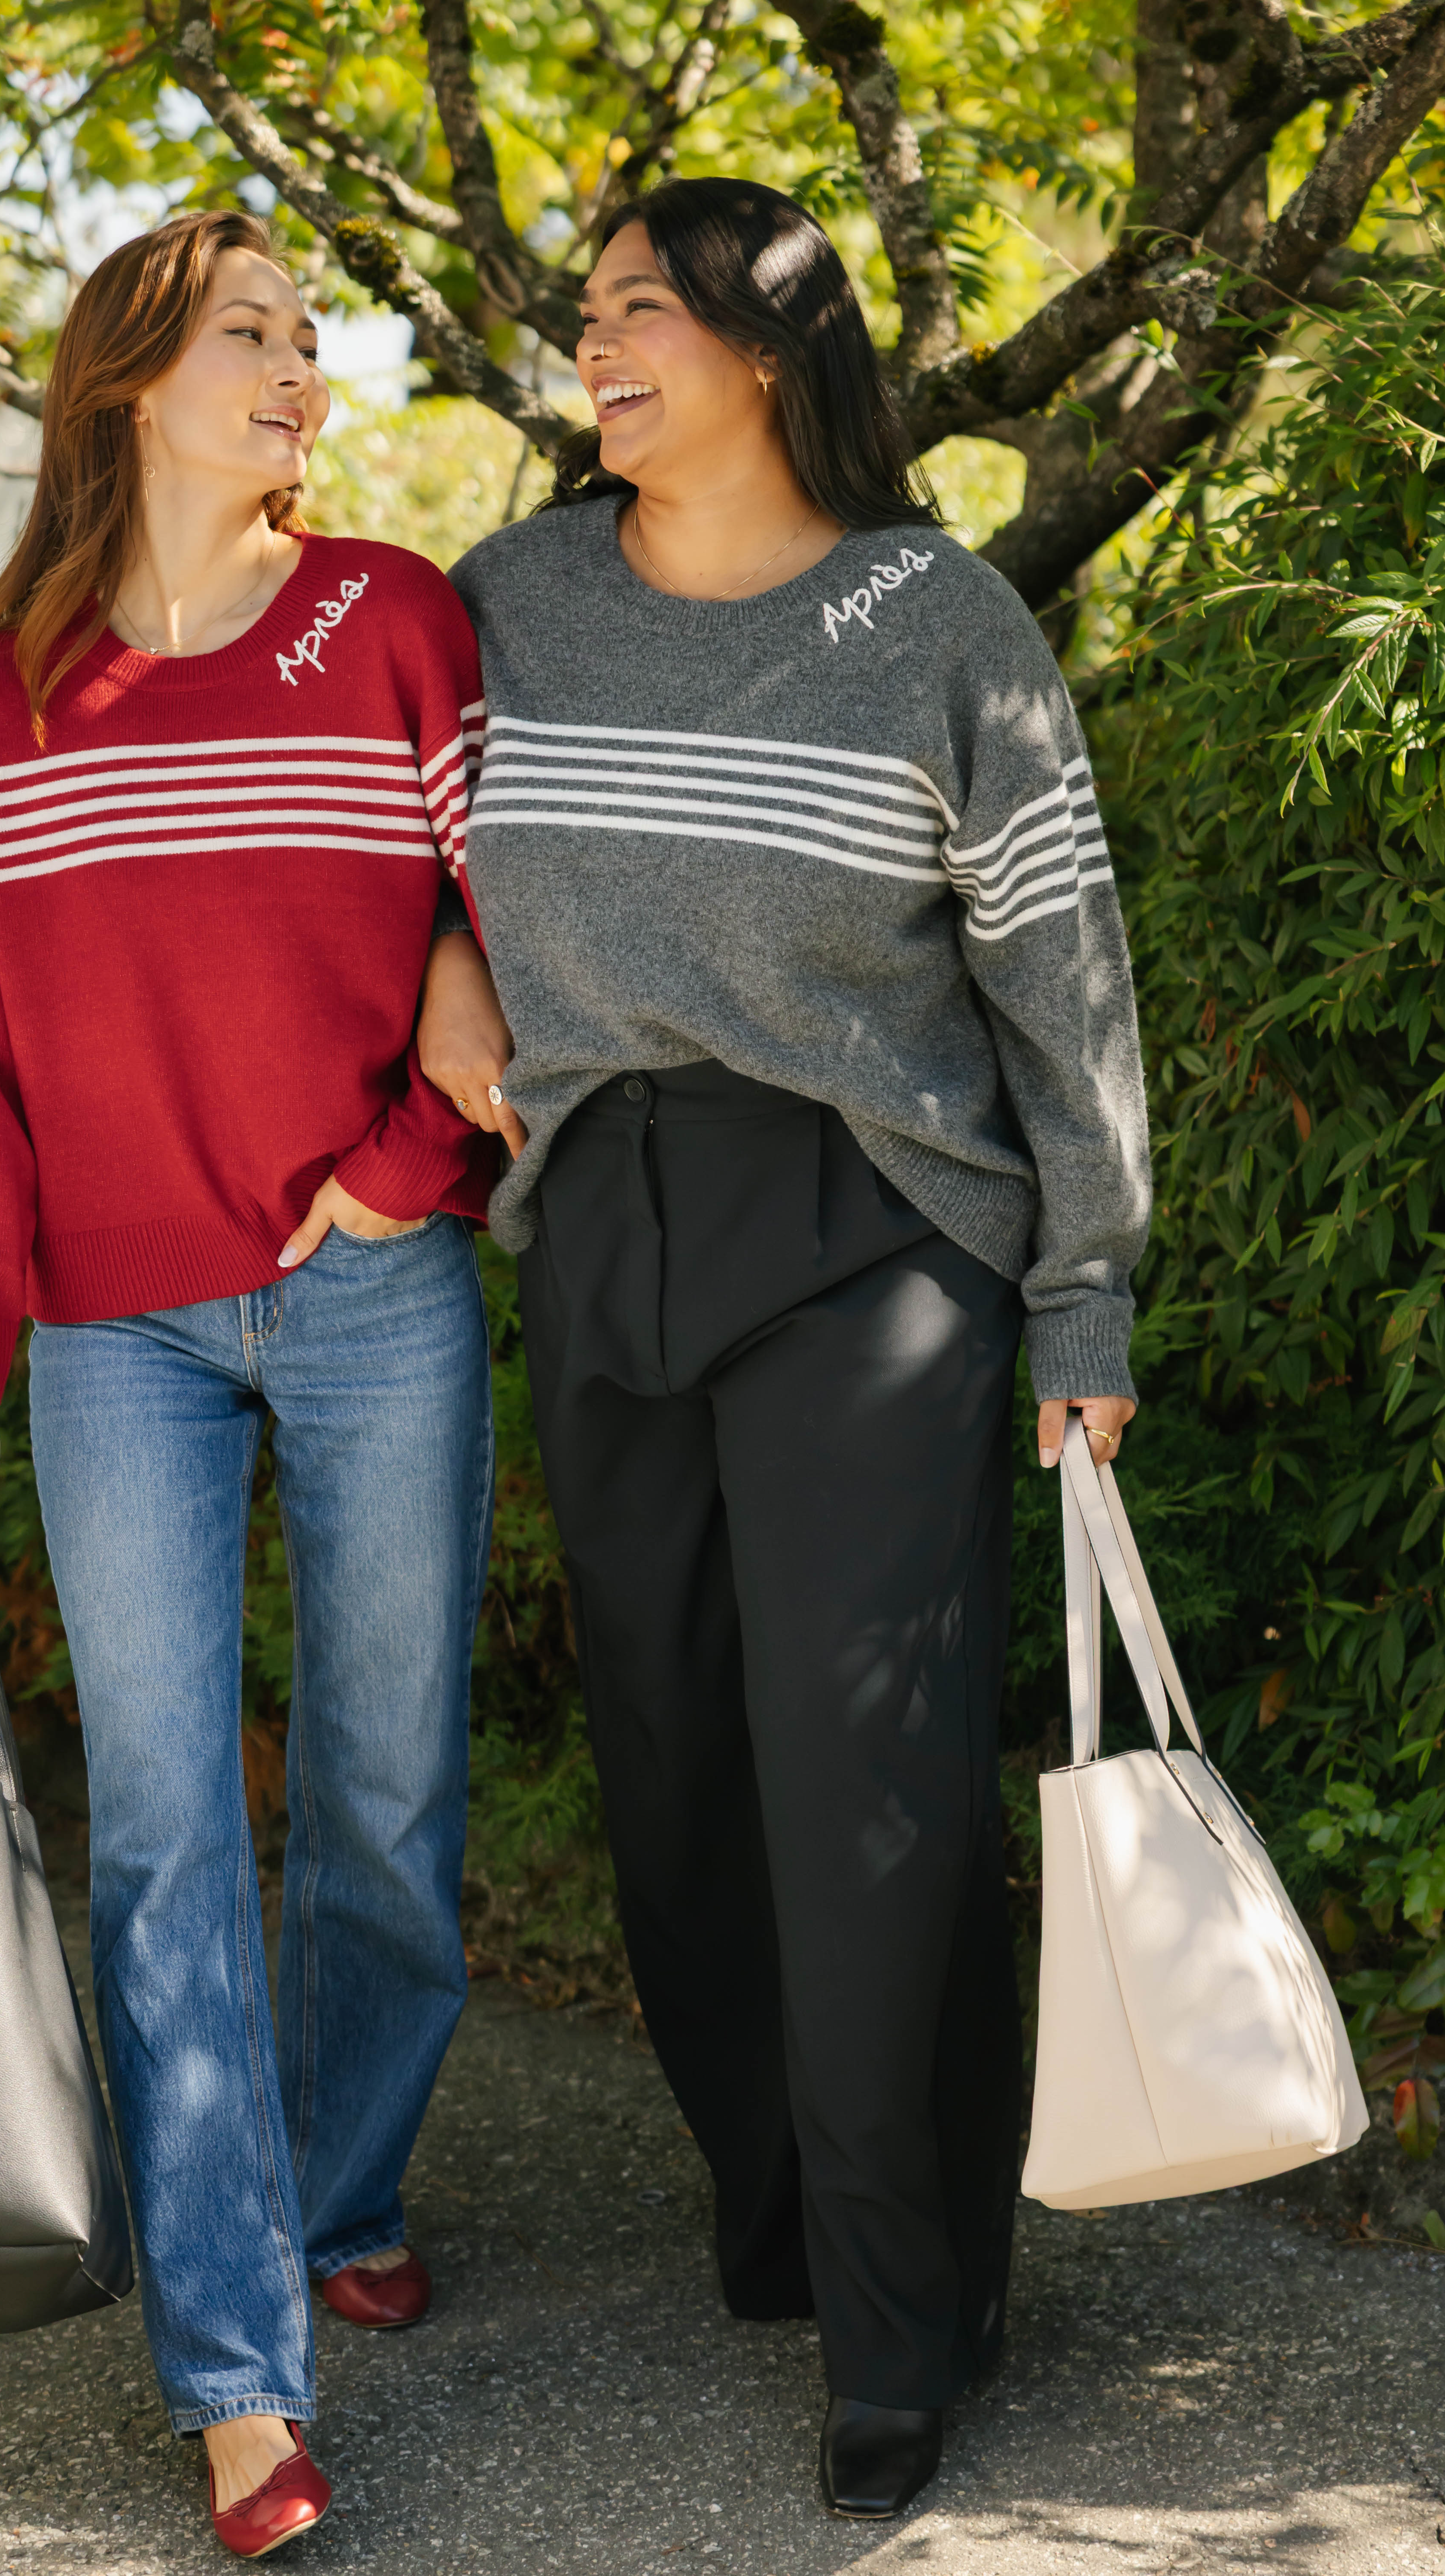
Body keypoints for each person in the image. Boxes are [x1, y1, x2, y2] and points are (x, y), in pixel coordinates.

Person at [419, 176, 1151, 2521]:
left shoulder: (929, 619)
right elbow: (391, 862)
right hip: (604, 1215)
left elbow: (1064, 980)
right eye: (590, 312)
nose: (592, 345)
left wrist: (1086, 1290)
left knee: (864, 1786)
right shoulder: (506, 602)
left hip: (876, 1236)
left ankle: (900, 2317)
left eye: (640, 309)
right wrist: (455, 1009)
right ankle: (787, 2216)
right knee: (676, 1775)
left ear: (769, 342)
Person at [0, 207, 496, 2561]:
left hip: (373, 1291)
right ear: (133, 370)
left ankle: (341, 2175)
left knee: (387, 1789)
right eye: (256, 336)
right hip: (104, 1331)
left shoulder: (393, 622)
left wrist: (405, 1168)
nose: (300, 375)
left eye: (309, 344)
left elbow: (513, 928)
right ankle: (240, 2373)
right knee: (159, 1828)